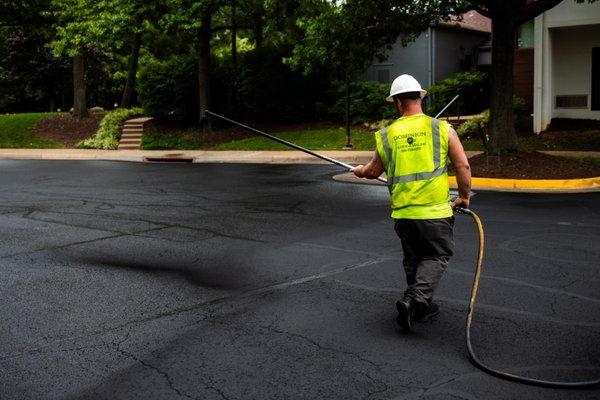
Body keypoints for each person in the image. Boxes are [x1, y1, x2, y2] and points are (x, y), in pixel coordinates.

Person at [353, 74, 472, 331]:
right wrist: (464, 196)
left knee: (414, 259)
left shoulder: (387, 134)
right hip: (434, 212)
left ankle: (419, 307)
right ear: (420, 97)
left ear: (397, 102)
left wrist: (360, 170)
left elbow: (373, 171)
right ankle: (416, 300)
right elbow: (462, 165)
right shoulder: (440, 128)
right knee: (437, 255)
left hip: (404, 213)